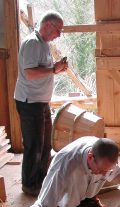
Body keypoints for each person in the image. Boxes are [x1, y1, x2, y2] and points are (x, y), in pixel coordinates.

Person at [14, 10, 68, 196]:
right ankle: (30, 186)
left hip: (41, 101)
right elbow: (29, 73)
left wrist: (56, 69)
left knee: (45, 144)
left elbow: (42, 70)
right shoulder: (32, 43)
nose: (59, 34)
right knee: (34, 145)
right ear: (47, 25)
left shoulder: (43, 43)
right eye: (58, 30)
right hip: (29, 102)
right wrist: (54, 69)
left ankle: (41, 180)